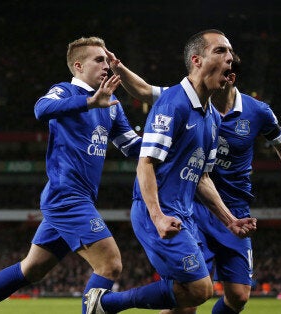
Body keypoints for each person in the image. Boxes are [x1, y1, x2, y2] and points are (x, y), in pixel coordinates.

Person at [0, 36, 142, 314]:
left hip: (79, 198)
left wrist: (168, 140)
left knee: (32, 269)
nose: (106, 66)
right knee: (110, 264)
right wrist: (89, 102)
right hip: (67, 197)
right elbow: (41, 109)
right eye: (99, 60)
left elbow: (132, 146)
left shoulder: (112, 105)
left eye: (107, 60)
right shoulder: (65, 92)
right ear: (78, 66)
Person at [109, 51, 281, 314]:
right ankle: (110, 304)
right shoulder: (188, 99)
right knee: (190, 296)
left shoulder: (257, 111)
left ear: (230, 78)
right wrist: (119, 68)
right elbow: (146, 90)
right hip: (194, 205)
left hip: (233, 207)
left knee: (238, 296)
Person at [84, 29, 258, 314]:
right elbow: (146, 163)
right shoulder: (172, 103)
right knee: (201, 289)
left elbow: (202, 178)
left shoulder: (213, 118)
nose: (230, 59)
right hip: (158, 212)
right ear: (196, 60)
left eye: (231, 53)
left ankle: (102, 305)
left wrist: (230, 220)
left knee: (186, 299)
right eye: (220, 51)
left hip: (184, 214)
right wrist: (158, 217)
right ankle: (105, 304)